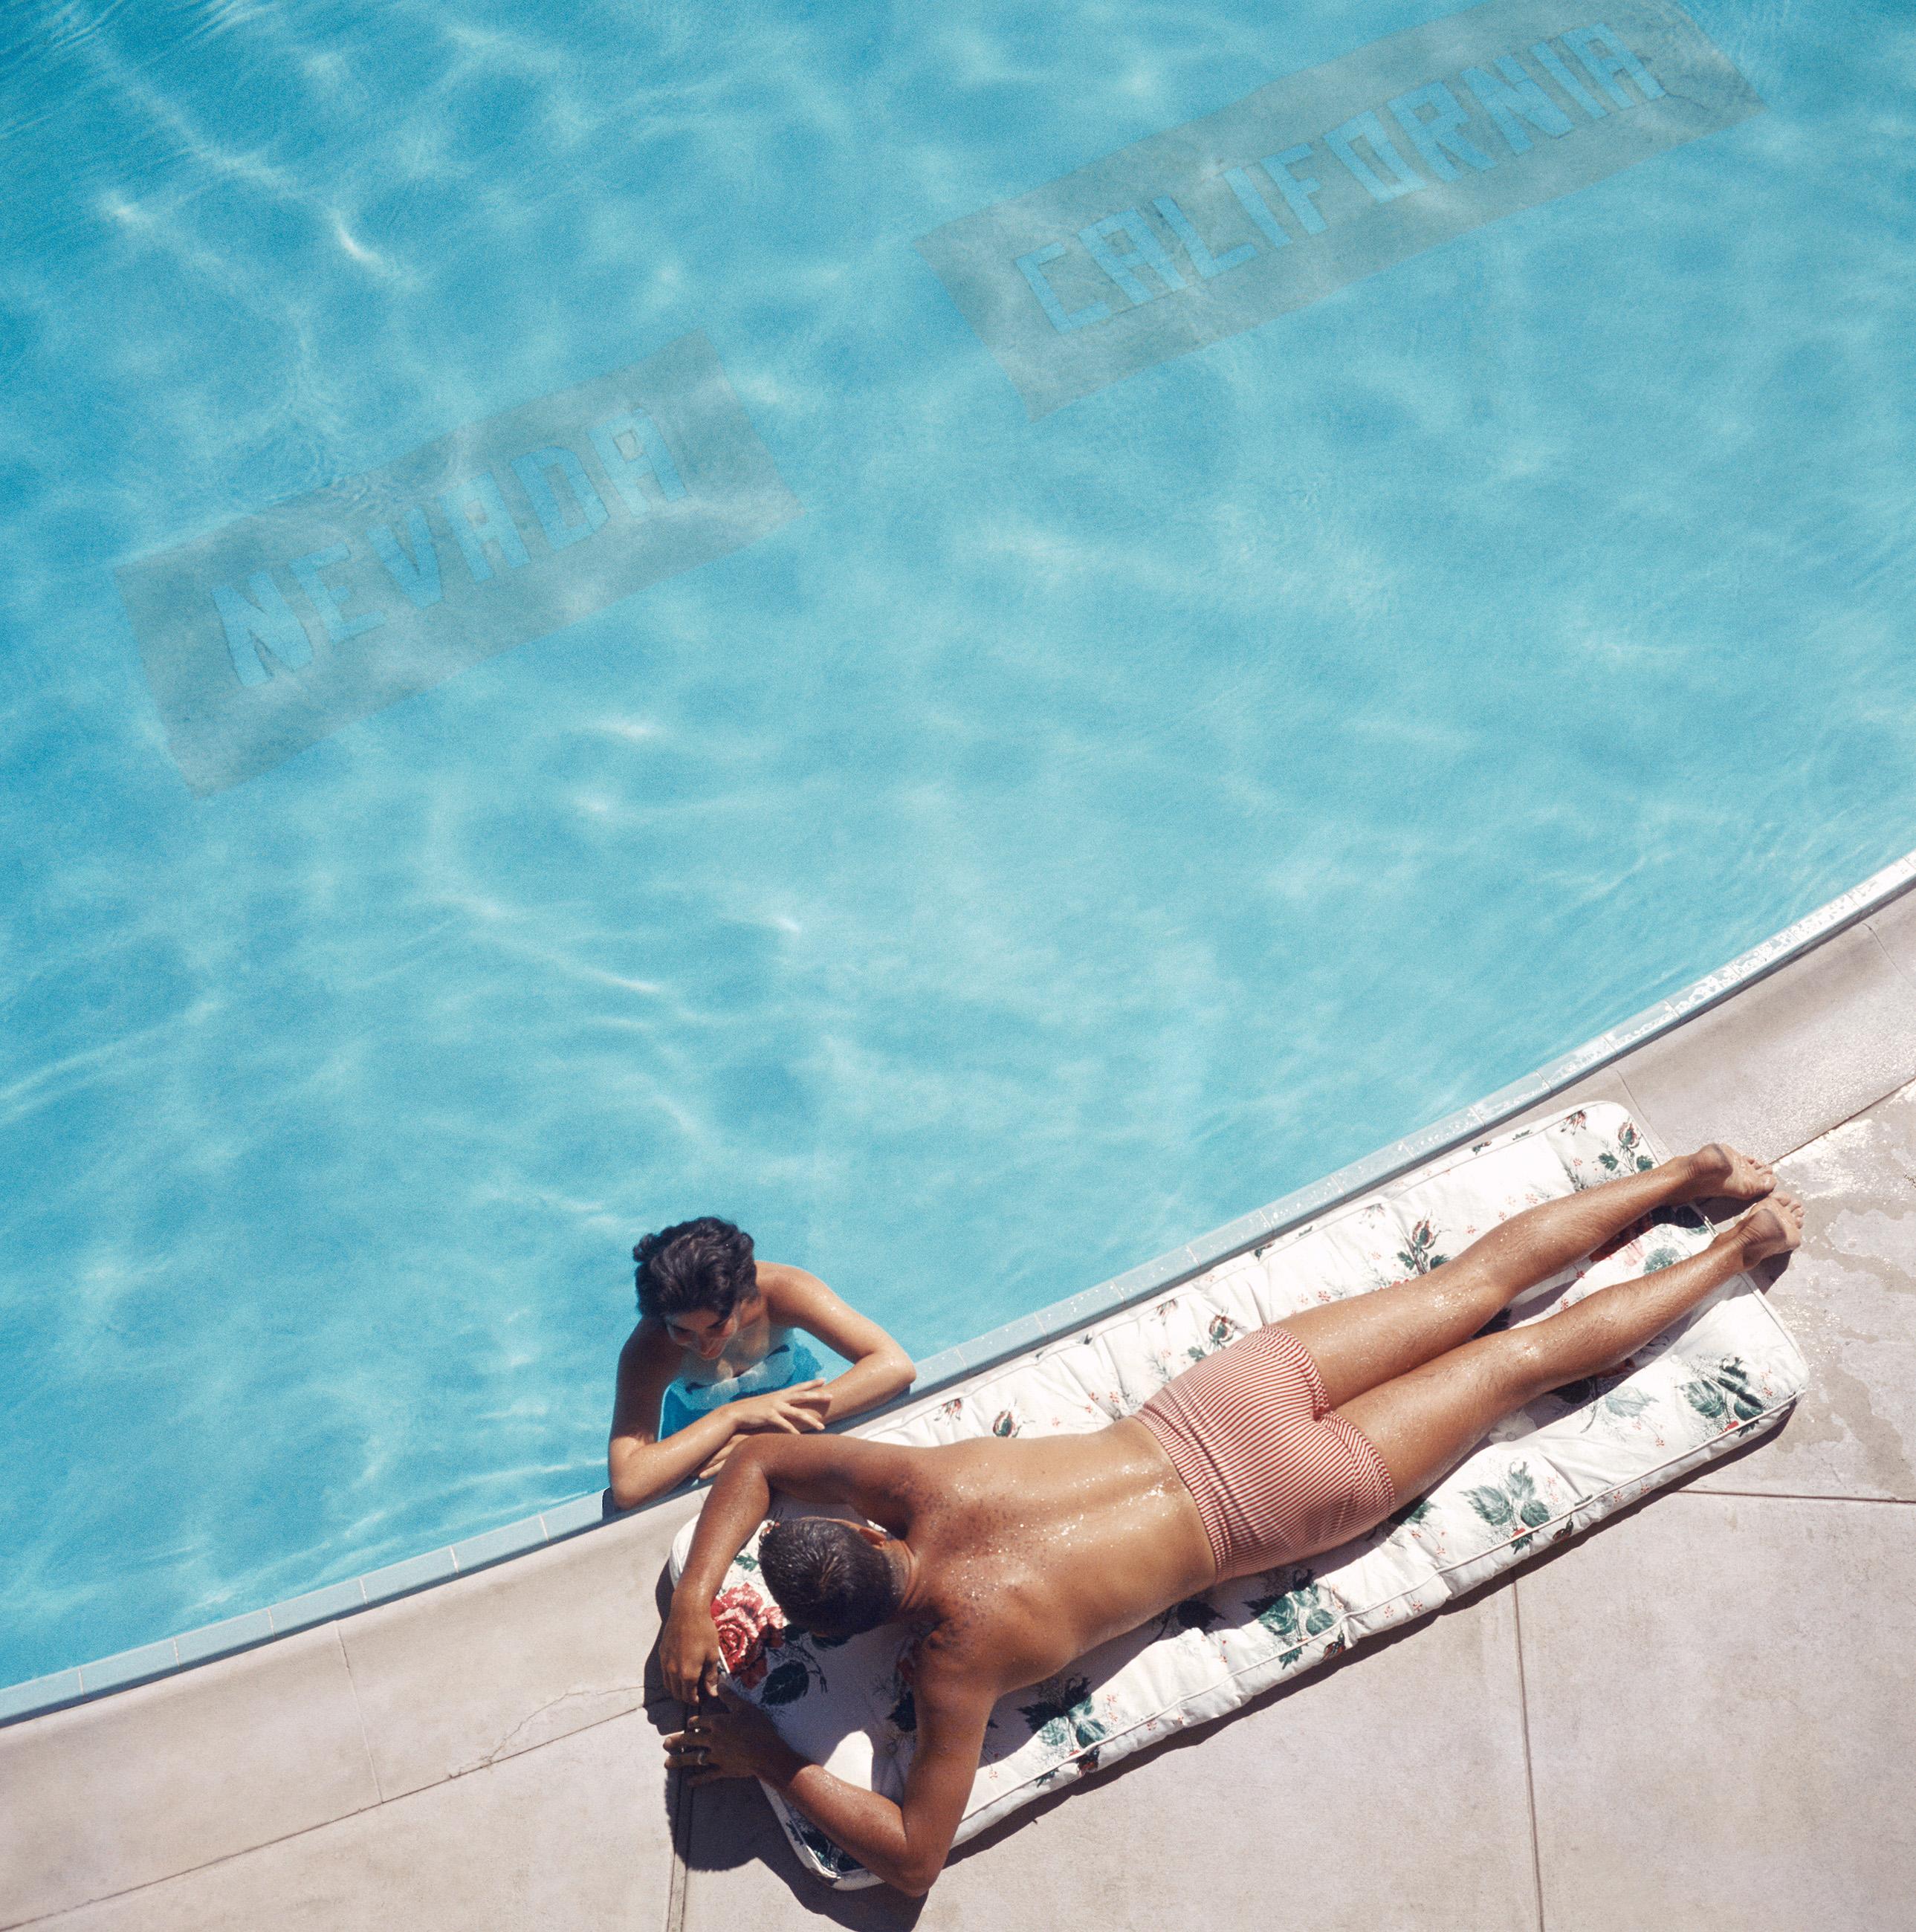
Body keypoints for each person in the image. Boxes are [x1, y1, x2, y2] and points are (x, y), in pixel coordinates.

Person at [661, 1145, 1804, 1895]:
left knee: (1521, 1362)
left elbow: (911, 1859)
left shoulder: (955, 1663)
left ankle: (1732, 1251)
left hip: (1274, 1504)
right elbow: (762, 1460)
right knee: (1465, 1291)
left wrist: (768, 1751)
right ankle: (1689, 1171)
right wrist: (700, 1607)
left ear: (855, 1625)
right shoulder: (922, 1481)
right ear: (863, 1536)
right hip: (1217, 1403)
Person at [607, 1216, 916, 1511]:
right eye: (683, 1331)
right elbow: (630, 1486)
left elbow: (894, 1366)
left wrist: (767, 1431)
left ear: (744, 1296)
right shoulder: (650, 1347)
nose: (704, 1348)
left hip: (793, 1410)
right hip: (703, 1433)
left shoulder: (782, 1291)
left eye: (717, 1326)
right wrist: (731, 1417)